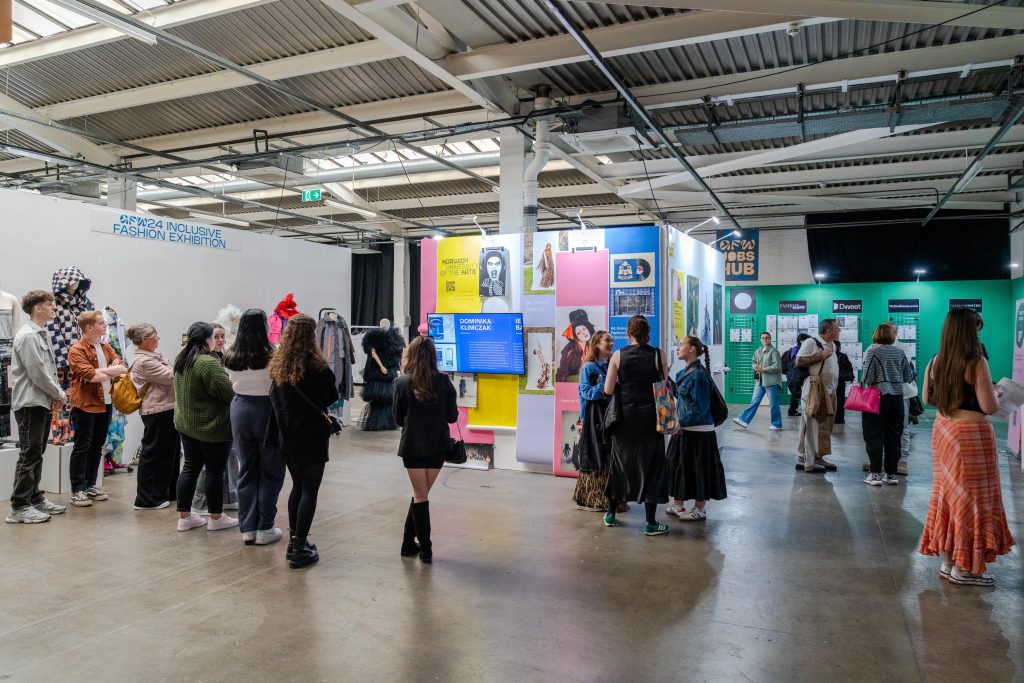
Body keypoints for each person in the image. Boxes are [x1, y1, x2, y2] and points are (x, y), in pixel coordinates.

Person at [919, 307, 1014, 586]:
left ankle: (949, 563)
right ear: (969, 331)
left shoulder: (935, 361)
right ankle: (967, 567)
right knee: (973, 500)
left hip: (943, 430)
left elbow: (927, 398)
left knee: (948, 497)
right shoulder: (976, 362)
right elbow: (989, 406)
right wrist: (996, 391)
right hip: (971, 435)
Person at [268, 314, 339, 569]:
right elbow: (331, 395)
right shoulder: (317, 367)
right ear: (311, 336)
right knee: (310, 489)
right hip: (312, 435)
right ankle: (300, 548)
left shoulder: (278, 367)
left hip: (287, 435)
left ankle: (293, 542)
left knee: (297, 487)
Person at [392, 335, 458, 564]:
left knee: (420, 496)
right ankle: (408, 544)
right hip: (438, 447)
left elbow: (398, 419)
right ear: (433, 356)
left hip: (411, 446)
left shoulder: (401, 383)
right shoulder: (444, 382)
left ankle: (424, 549)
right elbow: (452, 417)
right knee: (421, 494)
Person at [602, 315, 669, 536]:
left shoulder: (618, 355)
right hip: (651, 420)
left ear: (628, 332)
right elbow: (663, 387)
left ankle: (611, 514)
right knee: (652, 467)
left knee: (620, 464)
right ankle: (650, 522)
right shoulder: (659, 355)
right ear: (648, 332)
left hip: (625, 420)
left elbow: (608, 390)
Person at [224, 309, 284, 546]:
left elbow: (230, 381)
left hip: (239, 408)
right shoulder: (273, 354)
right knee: (270, 470)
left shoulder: (231, 354)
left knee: (246, 469)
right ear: (264, 327)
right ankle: (265, 527)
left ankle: (247, 528)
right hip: (267, 409)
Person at [6, 290, 66, 523]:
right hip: (30, 402)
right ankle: (19, 507)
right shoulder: (29, 336)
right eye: (50, 305)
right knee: (29, 454)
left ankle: (34, 498)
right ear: (37, 308)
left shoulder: (40, 334)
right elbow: (38, 373)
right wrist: (59, 393)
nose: (54, 308)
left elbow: (45, 371)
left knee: (37, 452)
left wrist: (54, 396)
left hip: (40, 401)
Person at [173, 322, 237, 532]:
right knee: (214, 472)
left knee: (190, 468)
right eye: (214, 337)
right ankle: (216, 518)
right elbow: (228, 393)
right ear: (207, 339)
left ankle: (184, 517)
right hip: (211, 427)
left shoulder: (182, 359)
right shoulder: (207, 363)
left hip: (187, 425)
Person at [67, 310, 128, 507]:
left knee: (97, 446)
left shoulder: (105, 347)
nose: (104, 327)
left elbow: (122, 366)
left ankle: (90, 485)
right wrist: (106, 371)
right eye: (101, 323)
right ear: (89, 327)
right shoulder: (77, 350)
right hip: (85, 405)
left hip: (106, 404)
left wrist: (102, 371)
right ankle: (77, 490)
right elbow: (91, 376)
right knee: (82, 447)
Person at [666, 336, 726, 521]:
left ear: (692, 349)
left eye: (682, 344)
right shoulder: (687, 372)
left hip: (697, 431)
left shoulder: (699, 375)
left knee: (698, 468)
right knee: (681, 466)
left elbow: (698, 409)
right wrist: (665, 377)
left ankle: (700, 509)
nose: (678, 347)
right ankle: (679, 505)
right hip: (686, 429)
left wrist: (675, 423)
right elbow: (682, 396)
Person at [572, 331, 627, 513]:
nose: (611, 343)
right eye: (607, 340)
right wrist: (605, 385)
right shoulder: (589, 367)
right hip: (593, 422)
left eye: (612, 340)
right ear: (596, 344)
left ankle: (610, 501)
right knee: (595, 459)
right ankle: (591, 499)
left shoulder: (612, 366)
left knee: (609, 459)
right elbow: (586, 393)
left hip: (610, 420)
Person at [128, 323, 180, 510]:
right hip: (157, 411)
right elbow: (173, 376)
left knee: (169, 454)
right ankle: (148, 499)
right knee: (154, 455)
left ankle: (166, 492)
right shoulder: (145, 361)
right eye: (154, 335)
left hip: (166, 409)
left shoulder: (152, 357)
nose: (158, 338)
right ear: (144, 340)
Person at [861, 324, 915, 486]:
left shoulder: (873, 351)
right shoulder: (899, 352)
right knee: (894, 436)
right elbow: (908, 376)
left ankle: (875, 474)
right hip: (897, 398)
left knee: (874, 435)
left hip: (877, 398)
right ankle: (891, 474)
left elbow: (868, 378)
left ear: (876, 334)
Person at [795, 320, 839, 473]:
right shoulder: (811, 342)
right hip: (815, 389)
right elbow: (799, 361)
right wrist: (821, 356)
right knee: (812, 425)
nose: (839, 331)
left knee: (825, 426)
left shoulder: (834, 345)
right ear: (828, 331)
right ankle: (807, 461)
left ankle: (817, 456)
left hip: (830, 391)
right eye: (837, 329)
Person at [733, 331, 782, 431]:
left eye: (767, 337)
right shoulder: (758, 351)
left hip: (771, 382)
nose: (765, 339)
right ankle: (744, 420)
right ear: (760, 339)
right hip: (760, 381)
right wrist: (755, 367)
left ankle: (777, 424)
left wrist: (763, 369)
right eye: (763, 338)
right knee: (754, 401)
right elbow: (754, 362)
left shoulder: (774, 351)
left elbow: (777, 367)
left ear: (770, 338)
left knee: (773, 403)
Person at [556, 308, 594, 382]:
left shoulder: (591, 346)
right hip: (570, 380)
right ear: (575, 336)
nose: (583, 333)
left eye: (584, 329)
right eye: (579, 333)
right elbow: (562, 374)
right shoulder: (569, 349)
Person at [785, 333, 810, 416]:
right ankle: (792, 410)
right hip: (796, 373)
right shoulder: (796, 349)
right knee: (796, 392)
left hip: (800, 373)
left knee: (798, 391)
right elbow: (795, 360)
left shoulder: (802, 348)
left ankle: (793, 409)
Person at [834, 340, 855, 427]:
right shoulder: (843, 356)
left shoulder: (828, 355)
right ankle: (839, 419)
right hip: (840, 381)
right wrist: (851, 376)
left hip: (830, 380)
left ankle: (830, 417)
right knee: (840, 399)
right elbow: (849, 367)